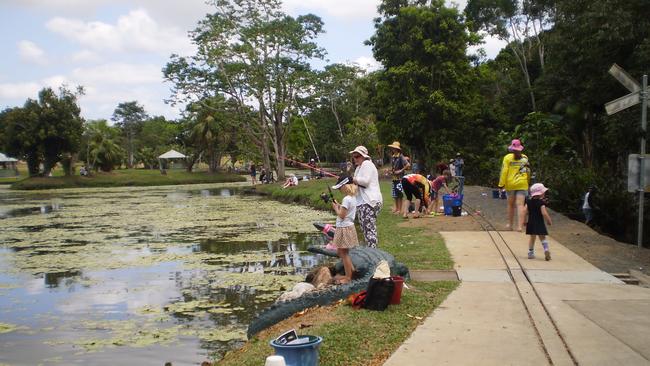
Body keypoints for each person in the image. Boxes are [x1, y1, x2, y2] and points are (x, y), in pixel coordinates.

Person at [350, 146, 383, 248]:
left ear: (364, 156)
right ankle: (371, 252)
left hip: (369, 201)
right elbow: (355, 185)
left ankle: (373, 254)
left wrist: (352, 179)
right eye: (354, 157)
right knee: (366, 229)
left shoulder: (367, 164)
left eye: (357, 156)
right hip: (362, 202)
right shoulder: (359, 167)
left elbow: (365, 182)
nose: (355, 158)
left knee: (369, 230)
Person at [330, 176, 359, 284]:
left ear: (345, 186)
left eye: (339, 188)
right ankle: (352, 271)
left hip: (344, 227)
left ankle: (348, 277)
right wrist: (340, 206)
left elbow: (342, 215)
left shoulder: (346, 199)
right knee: (341, 251)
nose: (339, 190)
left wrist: (336, 208)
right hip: (348, 226)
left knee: (344, 253)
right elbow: (346, 211)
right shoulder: (352, 197)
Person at [498, 139, 531, 231]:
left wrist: (501, 185)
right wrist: (527, 182)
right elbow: (528, 171)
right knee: (520, 205)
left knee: (510, 205)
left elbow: (504, 172)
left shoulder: (507, 158)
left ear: (511, 149)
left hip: (511, 184)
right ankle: (520, 227)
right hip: (522, 183)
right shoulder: (525, 158)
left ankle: (510, 225)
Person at [523, 183, 553, 260]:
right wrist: (549, 220)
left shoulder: (528, 202)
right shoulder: (541, 203)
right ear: (541, 193)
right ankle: (546, 250)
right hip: (539, 223)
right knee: (543, 238)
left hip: (531, 223)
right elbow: (544, 213)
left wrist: (524, 221)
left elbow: (525, 212)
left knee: (532, 238)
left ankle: (530, 253)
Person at [388, 141, 410, 215]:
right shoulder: (393, 156)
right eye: (392, 148)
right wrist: (391, 171)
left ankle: (400, 210)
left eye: (394, 148)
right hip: (394, 178)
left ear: (397, 149)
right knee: (395, 195)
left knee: (399, 194)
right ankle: (397, 208)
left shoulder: (401, 156)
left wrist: (401, 170)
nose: (392, 149)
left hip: (399, 178)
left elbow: (408, 165)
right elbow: (393, 167)